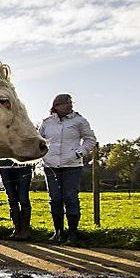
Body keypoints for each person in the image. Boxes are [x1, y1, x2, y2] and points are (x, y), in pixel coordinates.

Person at [40, 93, 97, 244]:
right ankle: (58, 231)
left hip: (71, 165)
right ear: (56, 105)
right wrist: (43, 156)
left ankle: (73, 232)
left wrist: (79, 153)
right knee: (55, 199)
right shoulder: (47, 122)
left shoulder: (79, 121)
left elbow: (90, 139)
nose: (70, 105)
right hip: (51, 165)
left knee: (71, 198)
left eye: (71, 103)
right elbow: (39, 140)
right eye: (66, 103)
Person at [0, 158, 34, 240]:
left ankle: (25, 230)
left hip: (24, 164)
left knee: (23, 198)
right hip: (5, 165)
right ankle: (17, 229)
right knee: (12, 199)